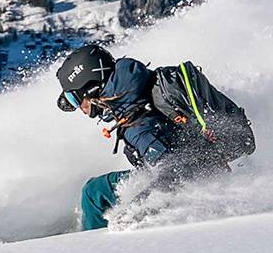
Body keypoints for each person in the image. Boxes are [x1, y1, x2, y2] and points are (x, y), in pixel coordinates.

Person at [55, 43, 255, 230]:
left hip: (198, 176)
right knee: (94, 189)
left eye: (75, 99)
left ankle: (93, 248)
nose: (78, 108)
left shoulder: (136, 121)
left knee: (93, 194)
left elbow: (175, 171)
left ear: (92, 88)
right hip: (201, 163)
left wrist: (135, 211)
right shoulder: (136, 89)